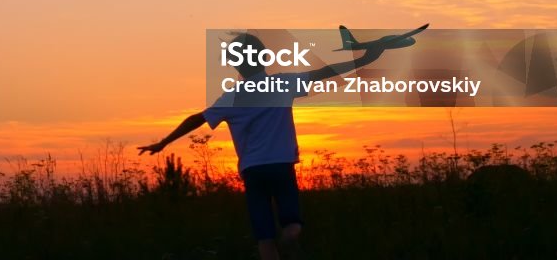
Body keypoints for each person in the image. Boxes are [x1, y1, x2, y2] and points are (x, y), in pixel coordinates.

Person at [138, 32, 390, 260]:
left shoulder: (231, 97)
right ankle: (290, 237)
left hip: (252, 171)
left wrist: (163, 143)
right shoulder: (283, 83)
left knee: (264, 237)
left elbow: (196, 119)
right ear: (265, 58)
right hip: (281, 166)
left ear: (236, 64)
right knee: (291, 224)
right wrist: (365, 59)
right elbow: (327, 72)